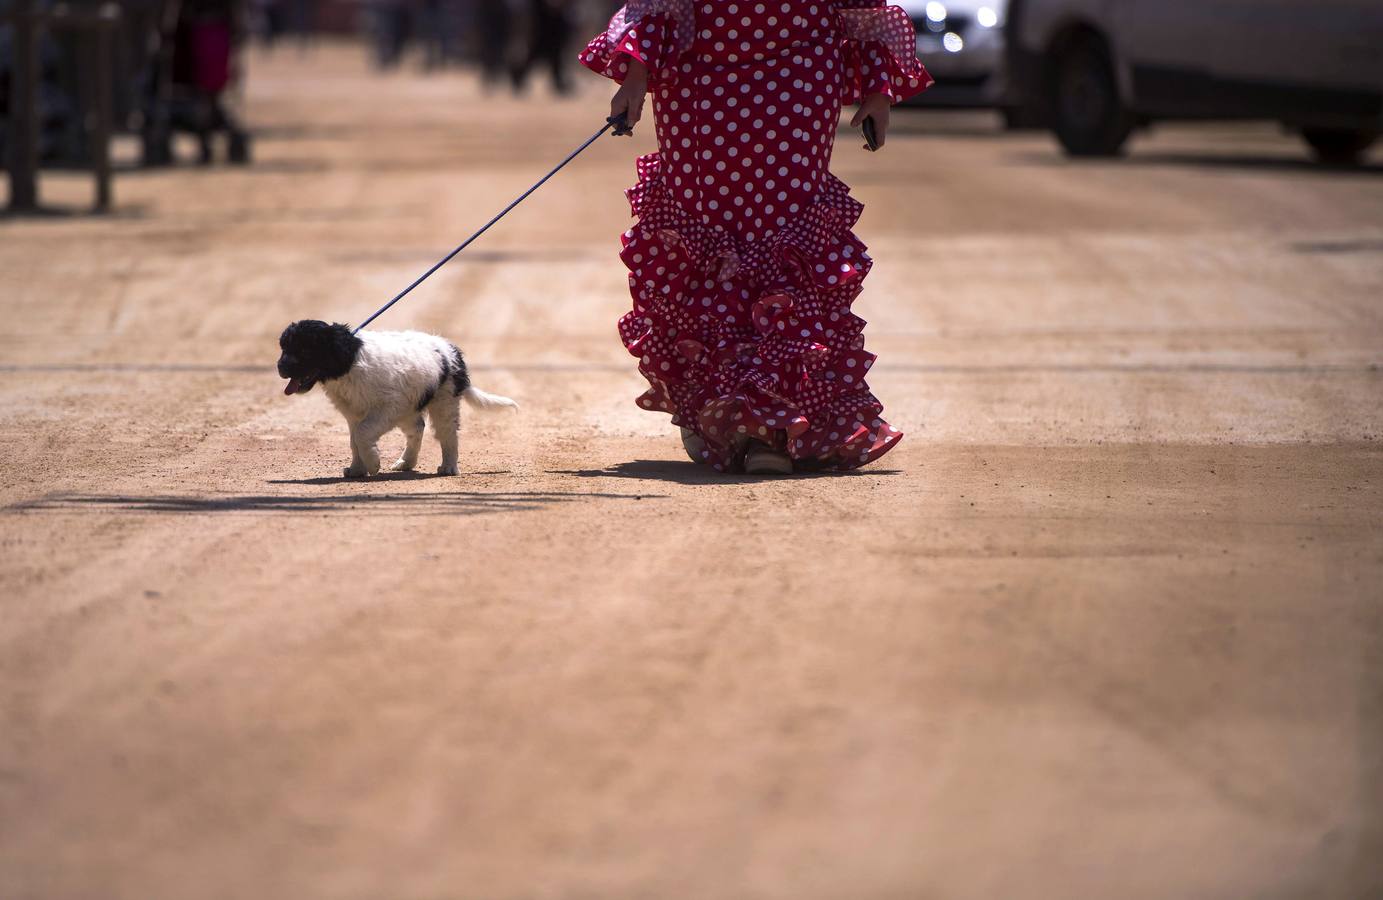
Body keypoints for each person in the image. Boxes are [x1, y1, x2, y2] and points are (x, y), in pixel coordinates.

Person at [580, 1, 931, 474]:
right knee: (707, 233)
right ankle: (723, 405)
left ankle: (778, 419)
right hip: (700, 78)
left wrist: (878, 89)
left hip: (799, 78)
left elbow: (863, 11)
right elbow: (658, 5)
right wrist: (636, 77)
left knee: (786, 238)